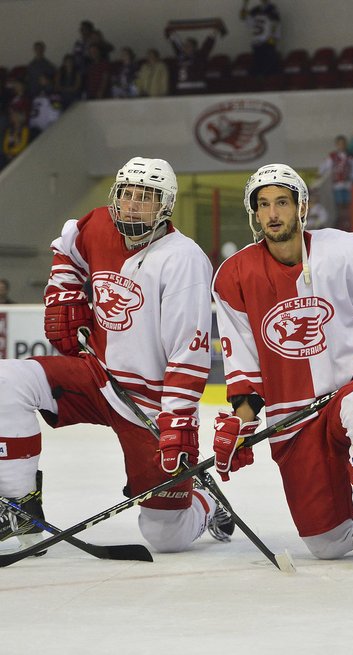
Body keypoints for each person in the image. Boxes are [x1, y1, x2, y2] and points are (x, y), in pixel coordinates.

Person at [0, 157, 228, 554]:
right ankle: (22, 510)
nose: (133, 204)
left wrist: (176, 422)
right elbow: (68, 246)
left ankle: (207, 505)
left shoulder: (184, 260)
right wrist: (65, 291)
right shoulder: (100, 224)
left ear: (165, 205)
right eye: (126, 194)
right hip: (97, 374)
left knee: (165, 536)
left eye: (146, 197)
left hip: (151, 404)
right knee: (6, 381)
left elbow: (187, 355)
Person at [210, 163, 353, 564]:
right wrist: (240, 422)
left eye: (282, 203)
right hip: (293, 418)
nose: (273, 214)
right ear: (255, 213)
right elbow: (246, 370)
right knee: (327, 544)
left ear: (301, 206)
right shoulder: (233, 276)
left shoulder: (345, 251)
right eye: (264, 205)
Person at [312, 135, 353, 231]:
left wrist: (352, 180)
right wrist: (320, 172)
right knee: (339, 203)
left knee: (347, 203)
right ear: (337, 145)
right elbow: (326, 165)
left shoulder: (350, 157)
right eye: (339, 144)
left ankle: (348, 221)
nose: (342, 146)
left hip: (347, 184)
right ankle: (341, 222)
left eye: (343, 144)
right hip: (337, 185)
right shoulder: (333, 156)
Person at [240, 0, 281, 77]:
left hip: (267, 41)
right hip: (257, 42)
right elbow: (244, 17)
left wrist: (274, 37)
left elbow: (276, 23)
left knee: (268, 68)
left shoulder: (273, 9)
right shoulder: (255, 10)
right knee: (257, 66)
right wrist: (244, 4)